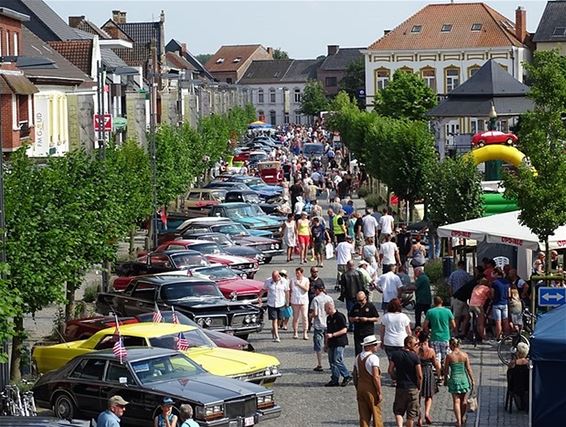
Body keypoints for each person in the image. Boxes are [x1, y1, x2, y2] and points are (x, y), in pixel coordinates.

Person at [388, 335, 422, 427]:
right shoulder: (415, 357)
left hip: (400, 387)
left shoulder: (395, 354)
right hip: (412, 387)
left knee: (398, 411)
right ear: (409, 344)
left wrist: (395, 378)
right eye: (415, 344)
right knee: (411, 415)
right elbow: (419, 375)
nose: (417, 346)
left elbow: (390, 370)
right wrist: (419, 386)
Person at [353, 335, 384, 427]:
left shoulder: (358, 357)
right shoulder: (373, 358)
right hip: (371, 388)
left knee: (363, 415)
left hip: (360, 386)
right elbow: (376, 377)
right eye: (374, 344)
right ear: (369, 346)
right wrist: (379, 391)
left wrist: (357, 386)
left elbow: (354, 374)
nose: (376, 346)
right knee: (376, 413)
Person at [444, 338, 474, 427]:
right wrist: (472, 380)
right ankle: (462, 417)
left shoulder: (449, 356)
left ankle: (458, 421)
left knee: (456, 401)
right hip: (463, 379)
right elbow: (468, 369)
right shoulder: (464, 355)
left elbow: (446, 370)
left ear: (452, 345)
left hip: (454, 379)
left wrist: (446, 380)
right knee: (463, 400)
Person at [380, 299, 412, 379]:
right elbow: (408, 331)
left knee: (392, 361)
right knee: (402, 361)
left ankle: (394, 379)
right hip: (401, 341)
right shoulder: (404, 316)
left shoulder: (386, 316)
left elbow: (382, 331)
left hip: (389, 341)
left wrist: (382, 341)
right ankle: (401, 377)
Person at [324, 301, 352, 387]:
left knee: (337, 359)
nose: (325, 311)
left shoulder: (340, 316)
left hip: (340, 341)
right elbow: (327, 332)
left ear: (329, 308)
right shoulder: (328, 318)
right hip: (331, 342)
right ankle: (335, 378)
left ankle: (347, 375)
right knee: (331, 361)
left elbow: (344, 330)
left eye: (325, 309)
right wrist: (326, 344)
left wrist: (333, 335)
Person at [423, 296, 455, 371]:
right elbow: (454, 325)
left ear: (434, 303)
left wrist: (428, 332)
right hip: (445, 337)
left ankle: (439, 375)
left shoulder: (430, 312)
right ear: (442, 302)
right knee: (446, 357)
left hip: (434, 337)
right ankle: (445, 373)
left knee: (437, 357)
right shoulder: (448, 311)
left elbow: (425, 326)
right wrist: (449, 331)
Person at [416, 331, 441, 426]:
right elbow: (435, 364)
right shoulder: (431, 351)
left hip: (418, 372)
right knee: (429, 395)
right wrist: (439, 375)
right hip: (428, 372)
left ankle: (419, 417)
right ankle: (427, 413)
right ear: (427, 339)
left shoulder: (416, 350)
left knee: (417, 396)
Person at [259, 270, 290, 343]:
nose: (273, 278)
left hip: (281, 303)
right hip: (271, 303)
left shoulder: (284, 281)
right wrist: (259, 297)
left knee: (280, 319)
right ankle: (277, 336)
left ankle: (274, 330)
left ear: (278, 276)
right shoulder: (268, 281)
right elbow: (264, 289)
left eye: (275, 277)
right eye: (272, 277)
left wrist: (287, 301)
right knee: (274, 320)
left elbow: (287, 291)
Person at [310, 282, 333, 372]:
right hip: (328, 324)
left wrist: (310, 316)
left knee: (318, 346)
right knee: (329, 345)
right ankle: (331, 363)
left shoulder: (316, 299)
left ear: (317, 290)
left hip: (319, 324)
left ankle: (320, 364)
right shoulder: (329, 298)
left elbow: (315, 313)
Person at [349, 291, 380, 355]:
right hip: (358, 332)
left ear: (365, 298)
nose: (360, 302)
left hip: (368, 332)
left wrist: (367, 319)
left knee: (369, 351)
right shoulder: (355, 306)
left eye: (361, 300)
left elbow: (376, 318)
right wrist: (355, 319)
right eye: (358, 300)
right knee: (358, 352)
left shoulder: (370, 306)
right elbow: (350, 318)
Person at [339, 260, 367, 330]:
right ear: (353, 265)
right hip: (359, 295)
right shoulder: (359, 273)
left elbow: (343, 287)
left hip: (349, 295)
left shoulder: (344, 275)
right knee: (360, 310)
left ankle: (352, 326)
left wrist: (342, 295)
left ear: (347, 266)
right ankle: (359, 324)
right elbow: (362, 284)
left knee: (350, 311)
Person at [448, 261, 472, 338]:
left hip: (456, 297)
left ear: (458, 265)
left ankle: (455, 332)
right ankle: (462, 331)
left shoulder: (453, 274)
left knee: (456, 316)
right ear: (463, 265)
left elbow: (450, 286)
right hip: (464, 298)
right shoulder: (466, 275)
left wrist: (451, 295)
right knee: (466, 316)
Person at [290, 267, 310, 340]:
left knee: (305, 316)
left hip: (304, 301)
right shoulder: (292, 280)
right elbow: (290, 290)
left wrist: (299, 284)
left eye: (298, 273)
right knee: (295, 317)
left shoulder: (306, 280)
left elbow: (306, 289)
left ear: (301, 273)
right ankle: (295, 332)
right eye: (296, 273)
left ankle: (305, 333)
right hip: (295, 301)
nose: (297, 274)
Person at [491, 267, 510, 340]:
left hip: (496, 304)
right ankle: (507, 335)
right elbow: (509, 294)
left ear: (496, 273)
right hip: (505, 303)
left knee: (498, 322)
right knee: (505, 320)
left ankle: (498, 337)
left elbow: (492, 294)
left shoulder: (494, 283)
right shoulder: (506, 282)